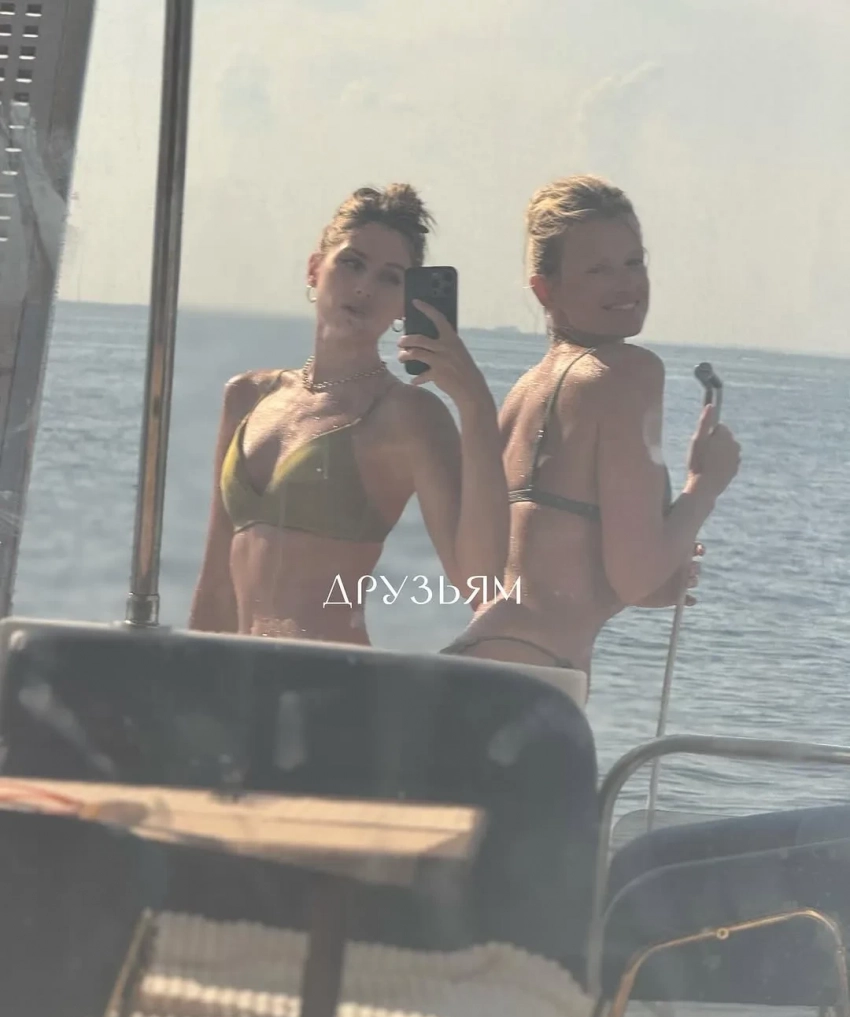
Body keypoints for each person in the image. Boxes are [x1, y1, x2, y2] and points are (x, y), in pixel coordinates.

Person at [442, 175, 741, 702]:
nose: (625, 284)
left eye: (633, 262)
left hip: (478, 663)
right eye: (599, 270)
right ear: (546, 290)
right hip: (535, 682)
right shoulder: (627, 373)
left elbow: (534, 569)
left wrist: (652, 582)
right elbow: (634, 574)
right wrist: (703, 486)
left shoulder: (522, 395)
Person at [189, 183, 508, 644]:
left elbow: (482, 584)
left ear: (404, 304)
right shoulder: (247, 397)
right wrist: (188, 677)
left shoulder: (408, 416)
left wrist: (475, 405)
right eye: (352, 264)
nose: (364, 287)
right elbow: (216, 583)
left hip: (333, 677)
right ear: (314, 269)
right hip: (239, 674)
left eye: (389, 278)